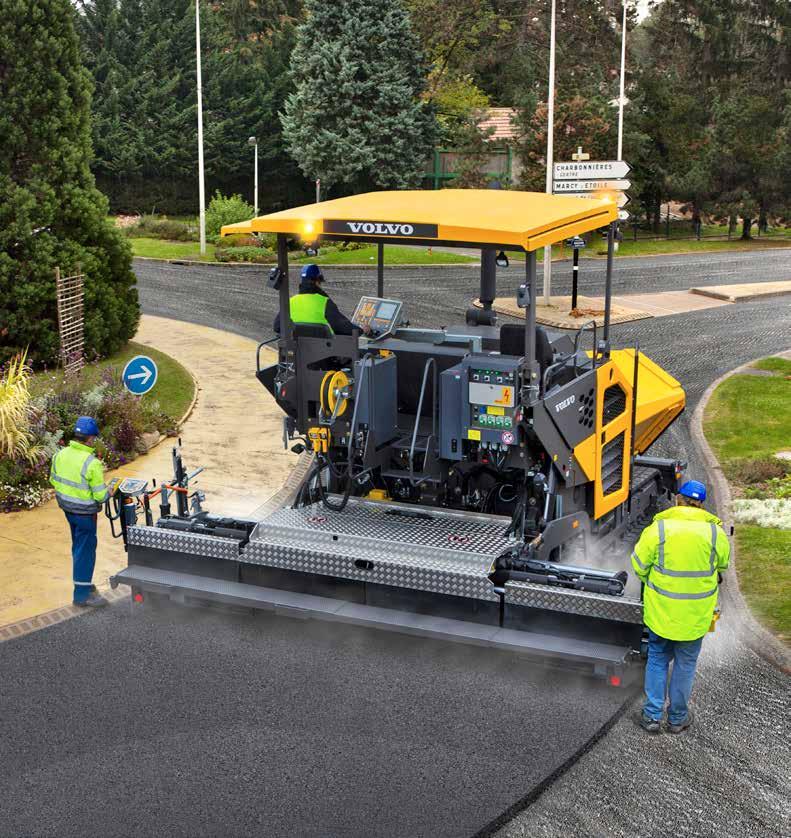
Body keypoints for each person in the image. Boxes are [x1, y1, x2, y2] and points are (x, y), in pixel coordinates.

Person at [631, 480, 730, 734]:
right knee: (685, 665)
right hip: (696, 617)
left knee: (657, 658)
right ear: (701, 505)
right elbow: (721, 566)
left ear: (678, 499)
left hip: (661, 612)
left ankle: (652, 716)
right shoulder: (714, 533)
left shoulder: (660, 529)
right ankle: (677, 719)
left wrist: (653, 581)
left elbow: (639, 565)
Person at [50, 416, 110, 608]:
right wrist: (108, 491)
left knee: (78, 547)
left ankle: (83, 583)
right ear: (91, 438)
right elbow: (100, 496)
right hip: (85, 514)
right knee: (85, 551)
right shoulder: (91, 463)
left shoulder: (60, 455)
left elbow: (53, 480)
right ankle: (82, 595)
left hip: (68, 510)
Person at [273, 263, 368, 335]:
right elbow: (342, 326)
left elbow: (277, 327)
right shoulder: (324, 302)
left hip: (297, 355)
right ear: (317, 282)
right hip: (326, 357)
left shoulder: (290, 301)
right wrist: (361, 330)